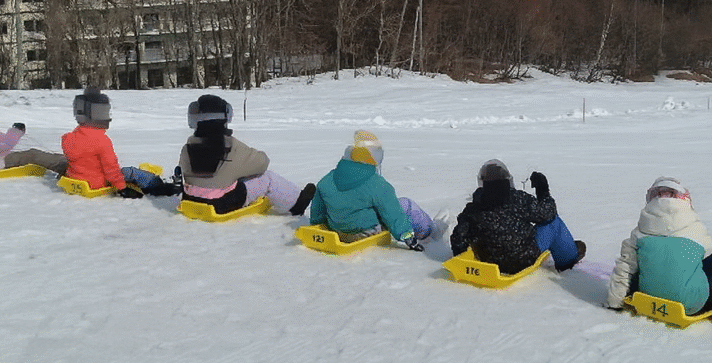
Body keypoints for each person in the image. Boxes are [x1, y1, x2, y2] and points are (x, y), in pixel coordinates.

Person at [178, 94, 315, 215]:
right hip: (221, 204)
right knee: (267, 178)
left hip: (192, 199)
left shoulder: (187, 147)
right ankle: (297, 203)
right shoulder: (231, 146)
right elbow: (262, 163)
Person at [309, 130, 439, 250]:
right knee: (405, 205)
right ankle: (430, 233)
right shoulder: (376, 184)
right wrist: (408, 237)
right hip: (365, 234)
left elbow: (317, 212)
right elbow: (393, 213)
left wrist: (318, 230)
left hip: (338, 231)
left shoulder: (326, 180)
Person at [448, 159, 585, 273]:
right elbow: (548, 213)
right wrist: (543, 190)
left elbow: (458, 240)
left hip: (490, 261)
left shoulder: (472, 209)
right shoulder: (517, 199)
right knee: (553, 223)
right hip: (525, 258)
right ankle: (568, 260)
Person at [606, 177, 712, 314]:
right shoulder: (696, 228)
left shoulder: (639, 232)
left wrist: (614, 302)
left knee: (641, 262)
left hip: (648, 296)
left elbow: (624, 267)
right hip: (691, 303)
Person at [61, 86, 175, 198]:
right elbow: (111, 169)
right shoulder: (102, 140)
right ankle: (157, 184)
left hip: (77, 179)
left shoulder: (70, 138)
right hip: (97, 183)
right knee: (130, 172)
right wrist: (122, 188)